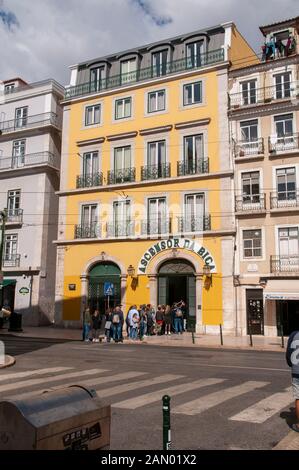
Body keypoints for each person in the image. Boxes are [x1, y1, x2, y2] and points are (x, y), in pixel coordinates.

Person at [286, 329, 299, 432]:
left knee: (298, 398)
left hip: (296, 371)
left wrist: (292, 365)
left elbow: (289, 353)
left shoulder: (293, 334)